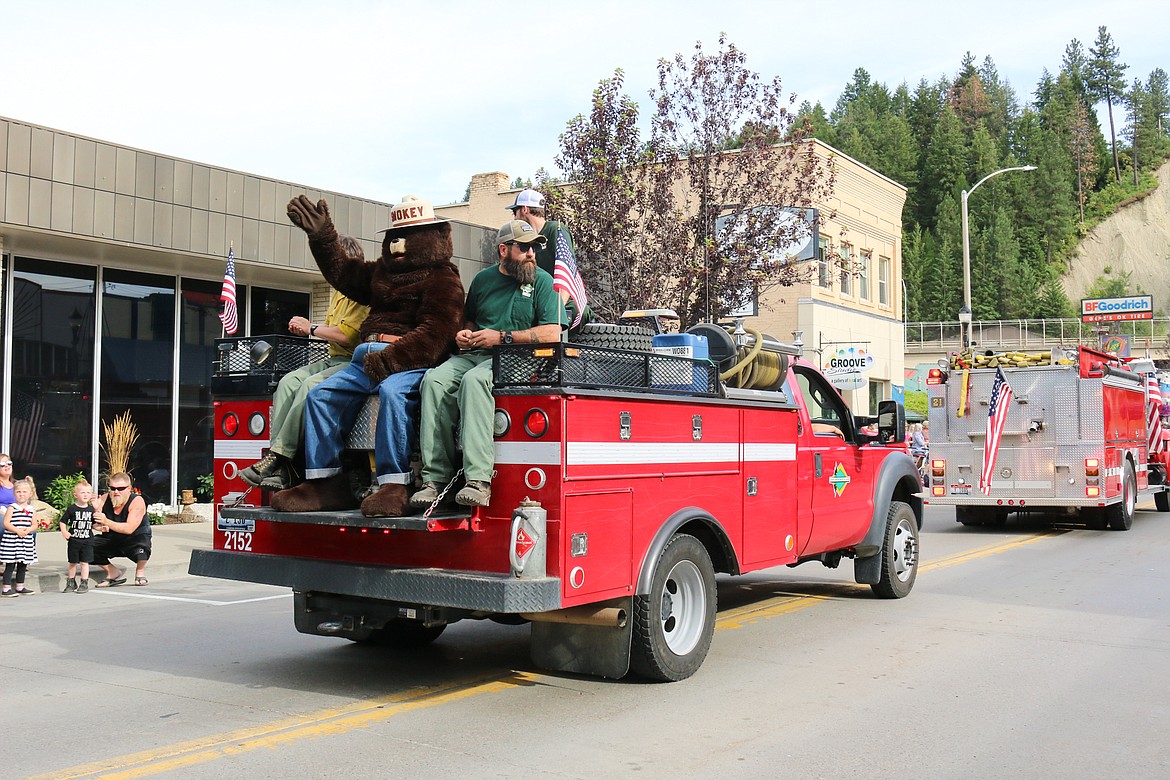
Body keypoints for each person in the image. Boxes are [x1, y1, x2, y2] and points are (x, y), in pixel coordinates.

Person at [271, 194, 465, 517]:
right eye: (396, 235)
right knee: (320, 397)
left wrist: (390, 360)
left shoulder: (443, 278)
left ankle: (394, 484)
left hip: (409, 360)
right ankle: (325, 482)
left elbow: (437, 334)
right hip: (367, 358)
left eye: (409, 236)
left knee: (393, 393)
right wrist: (322, 237)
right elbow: (345, 273)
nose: (399, 244)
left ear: (433, 237)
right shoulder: (383, 274)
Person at [411, 220, 566, 509]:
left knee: (475, 381)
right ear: (504, 250)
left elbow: (552, 332)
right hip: (476, 354)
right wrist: (465, 333)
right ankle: (434, 480)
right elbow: (470, 320)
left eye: (534, 246)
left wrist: (503, 337)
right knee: (433, 380)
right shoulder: (482, 280)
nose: (532, 253)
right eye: (524, 247)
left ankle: (478, 480)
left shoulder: (543, 281)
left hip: (521, 359)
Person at [240, 235, 371, 490]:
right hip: (335, 358)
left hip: (356, 360)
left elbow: (347, 336)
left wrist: (310, 327)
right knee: (288, 382)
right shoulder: (339, 292)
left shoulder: (362, 292)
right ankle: (284, 468)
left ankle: (277, 458)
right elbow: (331, 331)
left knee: (309, 385)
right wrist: (311, 329)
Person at [507, 188, 592, 335]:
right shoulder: (525, 238)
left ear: (525, 209)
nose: (515, 217)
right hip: (533, 298)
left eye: (515, 212)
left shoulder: (555, 230)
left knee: (564, 317)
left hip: (557, 299)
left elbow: (566, 273)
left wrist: (556, 308)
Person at [91, 472, 150, 587]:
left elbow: (129, 528)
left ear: (129, 489)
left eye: (120, 489)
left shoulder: (137, 501)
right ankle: (112, 571)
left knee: (142, 545)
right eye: (112, 488)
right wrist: (96, 510)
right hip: (112, 539)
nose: (116, 492)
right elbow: (95, 524)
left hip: (133, 540)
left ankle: (140, 572)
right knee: (84, 545)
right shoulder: (104, 499)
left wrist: (106, 521)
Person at [59, 479, 97, 593]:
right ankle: (71, 582)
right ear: (76, 495)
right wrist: (64, 532)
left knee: (85, 562)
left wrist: (102, 528)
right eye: (82, 492)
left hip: (87, 540)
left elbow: (94, 524)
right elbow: (63, 521)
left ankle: (84, 582)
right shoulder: (72, 508)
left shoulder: (92, 509)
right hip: (74, 540)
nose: (85, 495)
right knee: (72, 562)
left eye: (88, 493)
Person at [1, 478, 38, 596]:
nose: (21, 494)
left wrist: (28, 530)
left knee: (23, 564)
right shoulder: (12, 508)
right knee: (10, 564)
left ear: (30, 493)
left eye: (24, 492)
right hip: (12, 541)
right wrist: (17, 530)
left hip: (25, 541)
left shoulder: (31, 509)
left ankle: (20, 586)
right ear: (14, 493)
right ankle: (6, 588)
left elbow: (34, 524)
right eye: (18, 492)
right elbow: (6, 523)